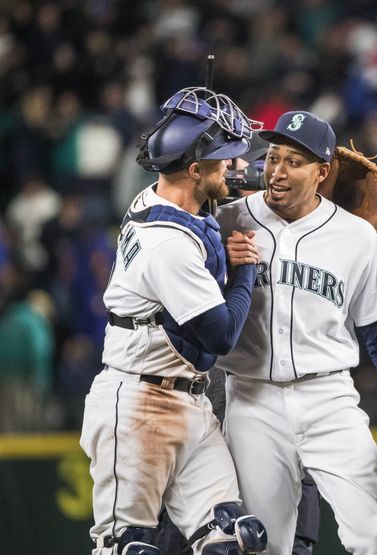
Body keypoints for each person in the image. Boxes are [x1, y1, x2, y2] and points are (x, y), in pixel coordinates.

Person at [215, 110, 377, 555]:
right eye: (274, 157)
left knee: (374, 534)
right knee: (264, 546)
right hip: (251, 400)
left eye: (294, 161)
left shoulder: (356, 236)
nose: (278, 171)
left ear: (322, 172)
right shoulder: (228, 221)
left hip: (329, 400)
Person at [79, 87, 268, 555]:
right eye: (223, 159)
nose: (232, 167)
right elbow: (221, 335)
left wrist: (279, 176)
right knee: (130, 547)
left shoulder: (165, 194)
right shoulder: (168, 245)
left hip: (189, 402)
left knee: (234, 539)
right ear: (195, 167)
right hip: (138, 405)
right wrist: (243, 271)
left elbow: (216, 187)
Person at [156, 136, 322, 555]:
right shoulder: (201, 230)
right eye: (236, 175)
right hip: (211, 392)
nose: (247, 183)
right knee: (189, 529)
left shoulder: (305, 234)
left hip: (281, 398)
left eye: (252, 175)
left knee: (284, 529)